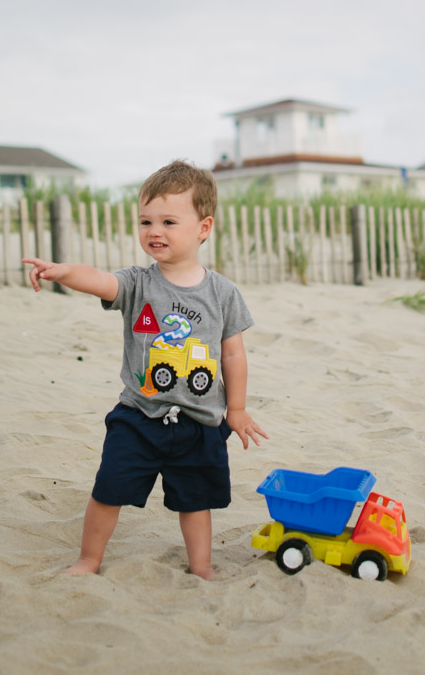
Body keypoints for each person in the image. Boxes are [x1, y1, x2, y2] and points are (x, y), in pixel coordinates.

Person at [23, 160, 267, 579]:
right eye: (146, 221)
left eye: (169, 221)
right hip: (138, 415)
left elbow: (233, 355)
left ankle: (201, 565)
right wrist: (64, 272)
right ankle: (89, 559)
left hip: (199, 421)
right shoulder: (138, 283)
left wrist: (238, 409)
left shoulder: (223, 293)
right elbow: (100, 280)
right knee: (108, 490)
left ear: (203, 228)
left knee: (196, 500)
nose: (155, 231)